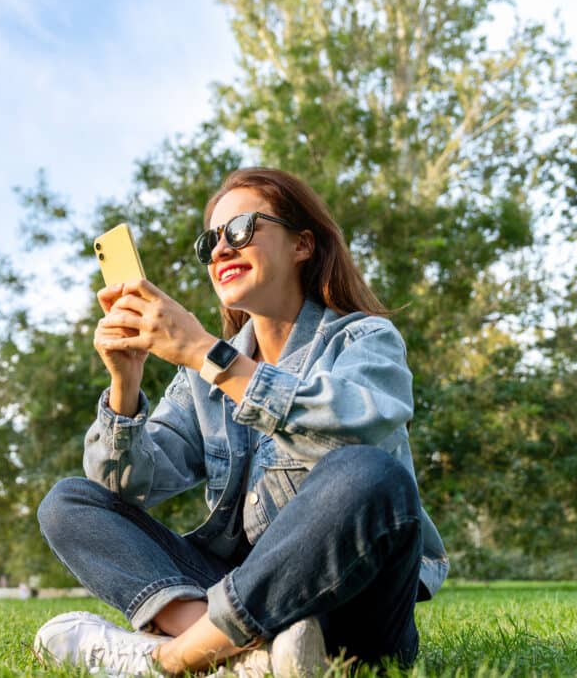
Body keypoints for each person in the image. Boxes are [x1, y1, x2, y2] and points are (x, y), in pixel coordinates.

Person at [34, 168, 449, 677]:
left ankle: (171, 657)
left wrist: (207, 353)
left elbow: (353, 434)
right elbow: (124, 488)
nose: (221, 249)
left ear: (302, 244)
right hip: (239, 590)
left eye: (241, 229)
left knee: (371, 474)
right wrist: (125, 381)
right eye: (210, 240)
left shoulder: (363, 339)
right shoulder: (199, 381)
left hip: (352, 613)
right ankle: (248, 656)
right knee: (69, 502)